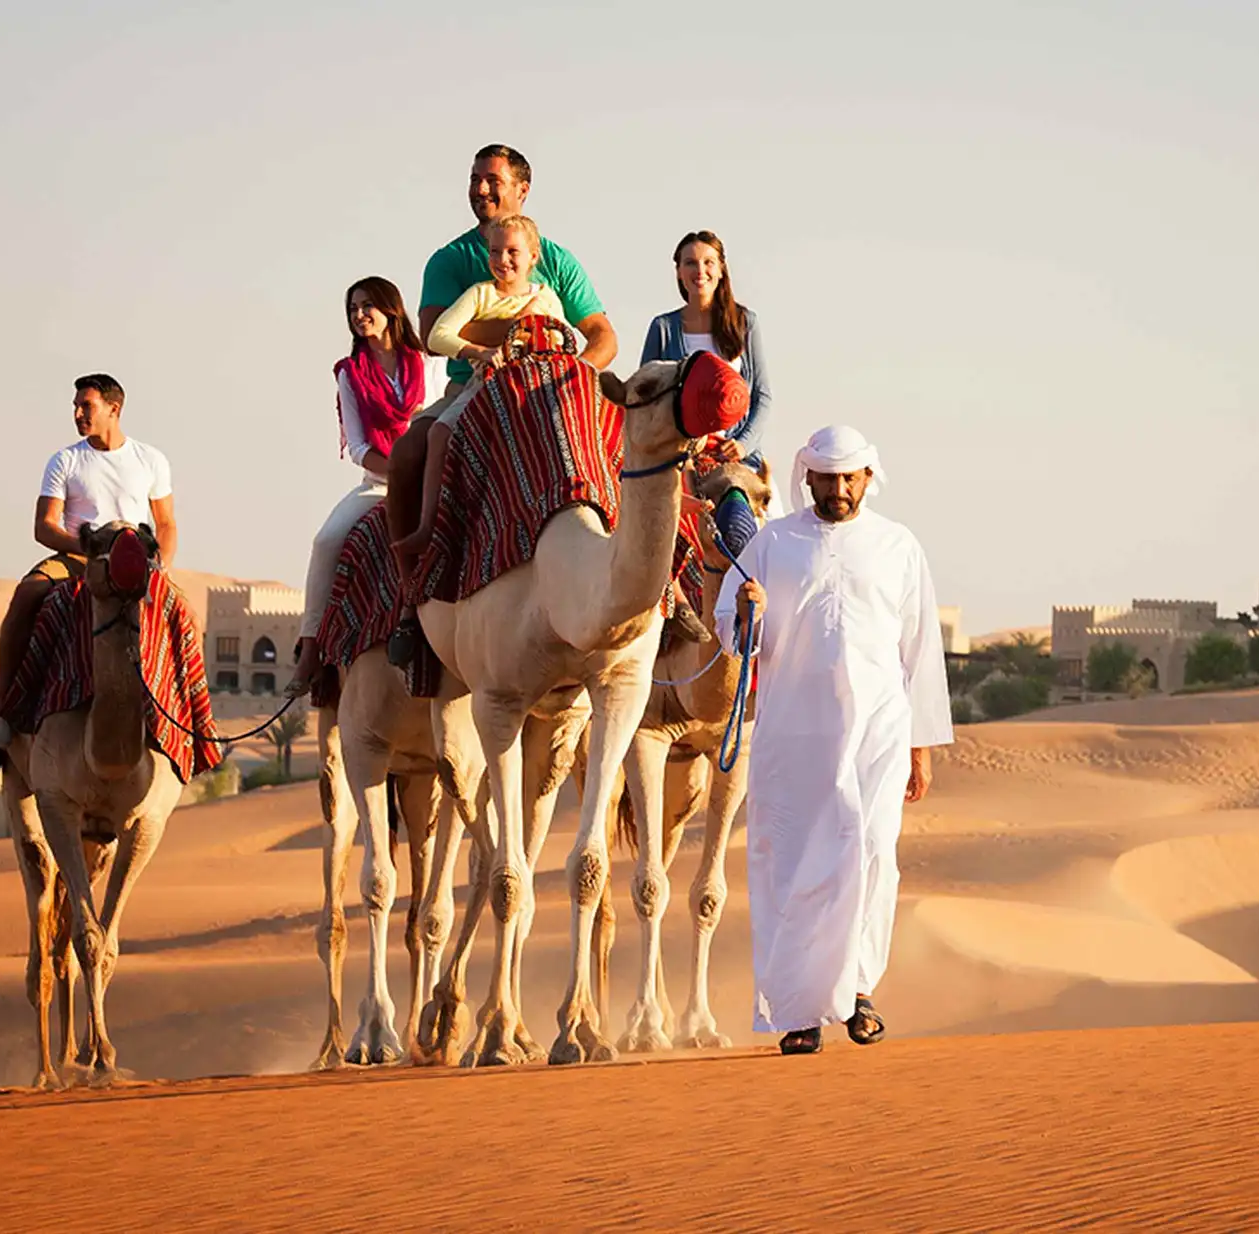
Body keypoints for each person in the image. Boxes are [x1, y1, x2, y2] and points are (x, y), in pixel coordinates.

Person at [713, 425, 954, 1055]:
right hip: (793, 736)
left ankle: (862, 993)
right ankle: (799, 1012)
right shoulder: (773, 543)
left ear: (868, 479)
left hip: (879, 730)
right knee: (790, 866)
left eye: (851, 478)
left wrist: (920, 749)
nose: (840, 489)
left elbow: (920, 652)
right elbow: (729, 633)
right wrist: (746, 611)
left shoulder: (898, 546)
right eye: (828, 477)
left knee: (871, 854)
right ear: (807, 477)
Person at [388, 143, 616, 564]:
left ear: (522, 189)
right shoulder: (451, 261)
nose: (480, 189)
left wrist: (572, 378)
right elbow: (431, 333)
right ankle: (411, 597)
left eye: (493, 180)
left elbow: (602, 336)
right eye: (475, 180)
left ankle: (664, 589)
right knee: (407, 454)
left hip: (551, 387)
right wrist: (519, 333)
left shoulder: (556, 263)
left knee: (640, 445)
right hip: (472, 383)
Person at [0, 374, 176, 748]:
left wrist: (161, 565)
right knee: (25, 597)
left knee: (185, 618)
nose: (77, 414)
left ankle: (194, 723)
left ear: (113, 409)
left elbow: (166, 522)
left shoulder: (150, 459)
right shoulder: (66, 460)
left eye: (86, 406)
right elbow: (44, 527)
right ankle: (2, 710)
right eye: (76, 406)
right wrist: (89, 550)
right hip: (77, 557)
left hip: (135, 562)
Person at [388, 214, 566, 561]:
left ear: (533, 256)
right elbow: (438, 335)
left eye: (513, 252)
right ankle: (428, 527)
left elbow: (561, 338)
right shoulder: (480, 294)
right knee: (439, 432)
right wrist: (480, 351)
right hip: (483, 385)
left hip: (534, 387)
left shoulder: (547, 299)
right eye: (495, 252)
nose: (503, 260)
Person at [283, 276, 425, 696]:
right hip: (379, 483)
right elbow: (359, 447)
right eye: (352, 309)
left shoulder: (428, 364)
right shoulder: (350, 374)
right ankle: (311, 651)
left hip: (428, 478)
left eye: (367, 306)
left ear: (390, 309)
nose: (359, 315)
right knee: (327, 541)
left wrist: (415, 472)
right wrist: (395, 472)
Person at [639, 230, 774, 474]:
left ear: (721, 269)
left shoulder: (745, 323)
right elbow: (645, 398)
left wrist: (743, 445)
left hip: (737, 460)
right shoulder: (663, 328)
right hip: (679, 462)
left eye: (708, 262)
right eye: (690, 263)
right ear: (679, 272)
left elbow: (762, 396)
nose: (700, 271)